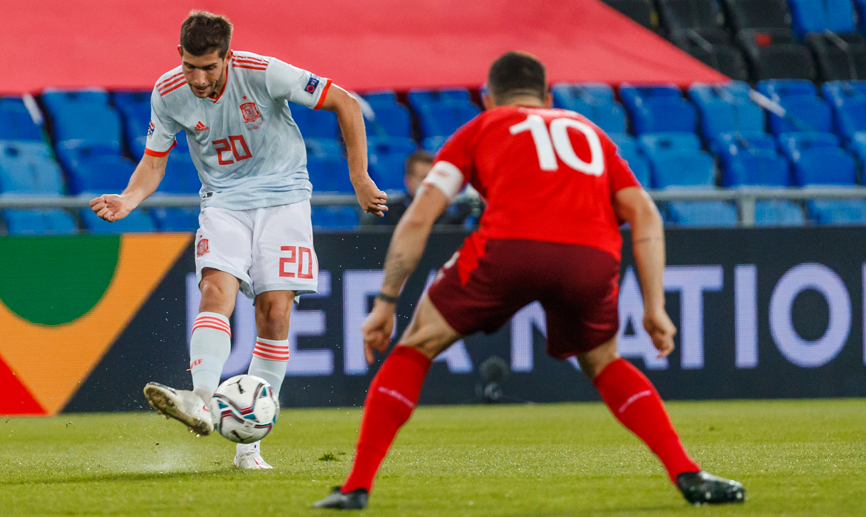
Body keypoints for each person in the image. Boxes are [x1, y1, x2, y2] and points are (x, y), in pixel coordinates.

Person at [313, 51, 745, 509]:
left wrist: (385, 302)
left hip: (512, 248)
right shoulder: (591, 133)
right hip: (592, 257)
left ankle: (356, 486)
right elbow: (644, 214)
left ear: (487, 99)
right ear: (549, 97)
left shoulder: (479, 128)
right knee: (604, 361)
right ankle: (687, 473)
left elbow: (420, 216)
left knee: (416, 345)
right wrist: (654, 306)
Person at [89, 11, 386, 469]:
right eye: (190, 65)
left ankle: (249, 448)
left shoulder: (265, 72)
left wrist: (360, 177)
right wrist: (129, 200)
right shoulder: (168, 93)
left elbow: (344, 101)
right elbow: (153, 161)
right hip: (223, 202)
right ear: (179, 56)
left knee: (274, 313)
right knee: (215, 290)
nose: (199, 77)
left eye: (209, 67)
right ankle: (200, 401)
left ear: (227, 55)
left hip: (285, 199)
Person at [374, 150, 474, 226]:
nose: (430, 183)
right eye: (424, 178)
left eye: (433, 178)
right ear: (409, 181)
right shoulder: (394, 211)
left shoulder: (444, 209)